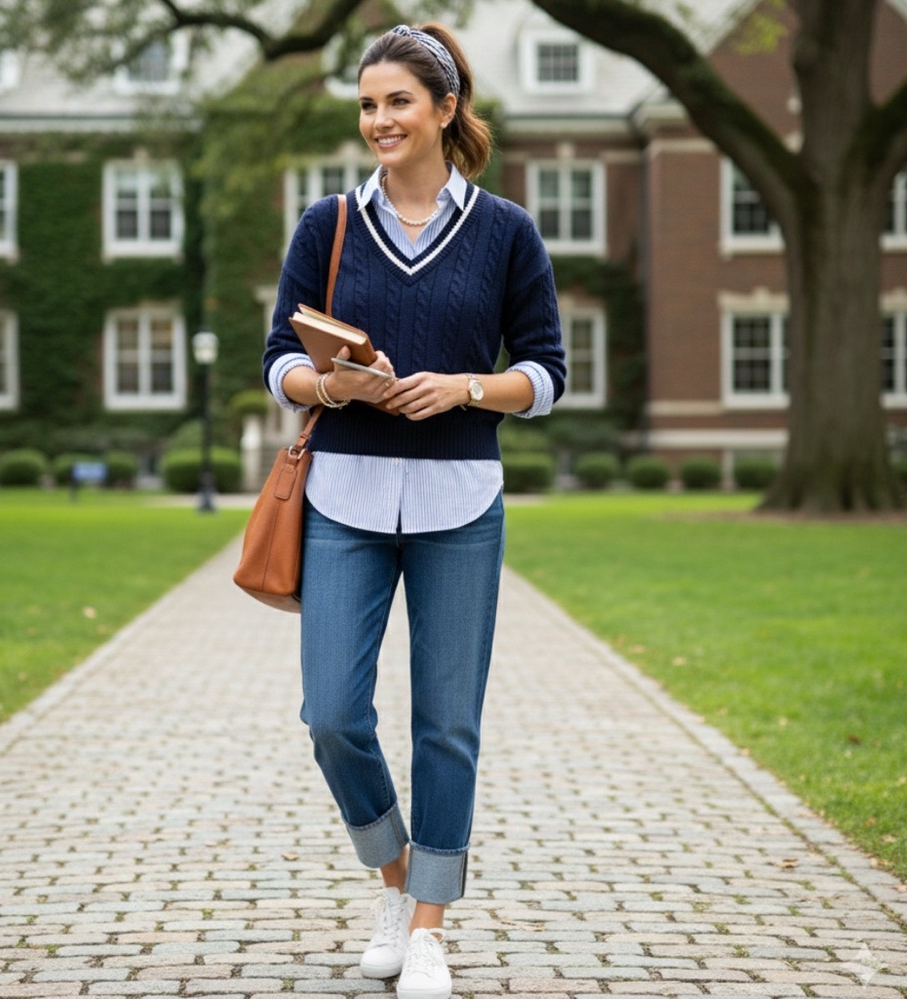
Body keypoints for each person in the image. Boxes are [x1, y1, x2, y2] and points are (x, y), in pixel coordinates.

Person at [263, 22, 566, 1000]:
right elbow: (278, 360)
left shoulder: (506, 231)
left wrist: (468, 388)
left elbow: (546, 374)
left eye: (398, 101)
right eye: (367, 104)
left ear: (444, 109)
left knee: (447, 725)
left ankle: (428, 927)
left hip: (460, 501)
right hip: (343, 496)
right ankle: (395, 879)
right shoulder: (327, 224)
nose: (379, 119)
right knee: (332, 716)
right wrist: (331, 384)